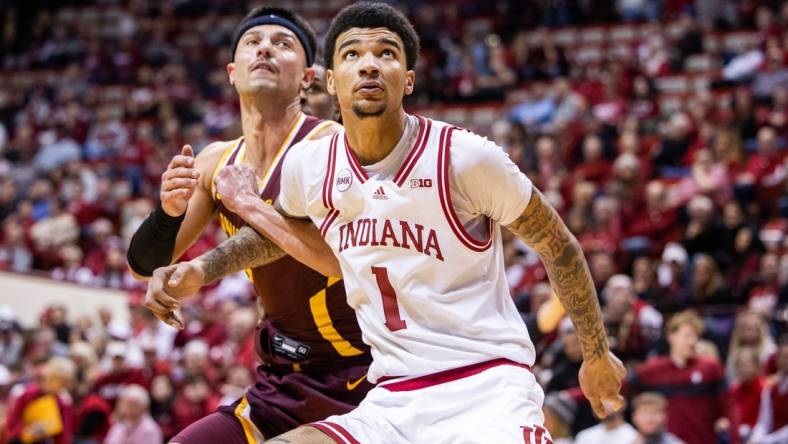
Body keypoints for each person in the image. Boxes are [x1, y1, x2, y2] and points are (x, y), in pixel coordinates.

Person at [147, 3, 626, 443]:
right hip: (391, 397)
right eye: (352, 53)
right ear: (331, 81)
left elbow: (558, 245)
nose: (370, 63)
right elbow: (274, 239)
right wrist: (204, 268)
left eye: (386, 53)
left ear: (409, 78)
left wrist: (596, 353)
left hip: (487, 387)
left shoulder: (465, 158)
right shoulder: (311, 166)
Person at [127, 6, 372, 442]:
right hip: (283, 377)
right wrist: (167, 213)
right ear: (231, 71)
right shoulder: (213, 160)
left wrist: (202, 269)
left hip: (364, 372)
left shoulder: (331, 145)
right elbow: (144, 265)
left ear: (308, 78)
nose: (265, 48)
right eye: (252, 42)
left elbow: (332, 258)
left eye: (283, 44)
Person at [629, 310, 727, 444]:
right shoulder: (652, 369)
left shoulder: (711, 367)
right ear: (671, 336)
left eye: (696, 337)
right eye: (687, 336)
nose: (692, 342)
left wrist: (725, 421)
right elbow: (623, 387)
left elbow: (727, 404)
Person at [4, 357, 76, 444]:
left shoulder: (64, 403)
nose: (62, 385)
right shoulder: (28, 394)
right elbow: (12, 421)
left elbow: (64, 436)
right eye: (59, 380)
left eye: (66, 382)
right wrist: (26, 431)